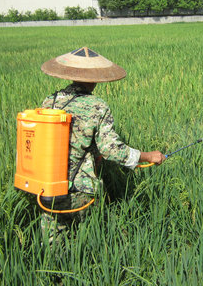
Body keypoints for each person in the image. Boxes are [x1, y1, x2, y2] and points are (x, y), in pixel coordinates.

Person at [39, 47, 165, 243]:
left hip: (47, 186)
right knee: (90, 242)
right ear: (95, 78)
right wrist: (150, 156)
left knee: (52, 248)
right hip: (80, 190)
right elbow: (111, 150)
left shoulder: (50, 101)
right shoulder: (96, 106)